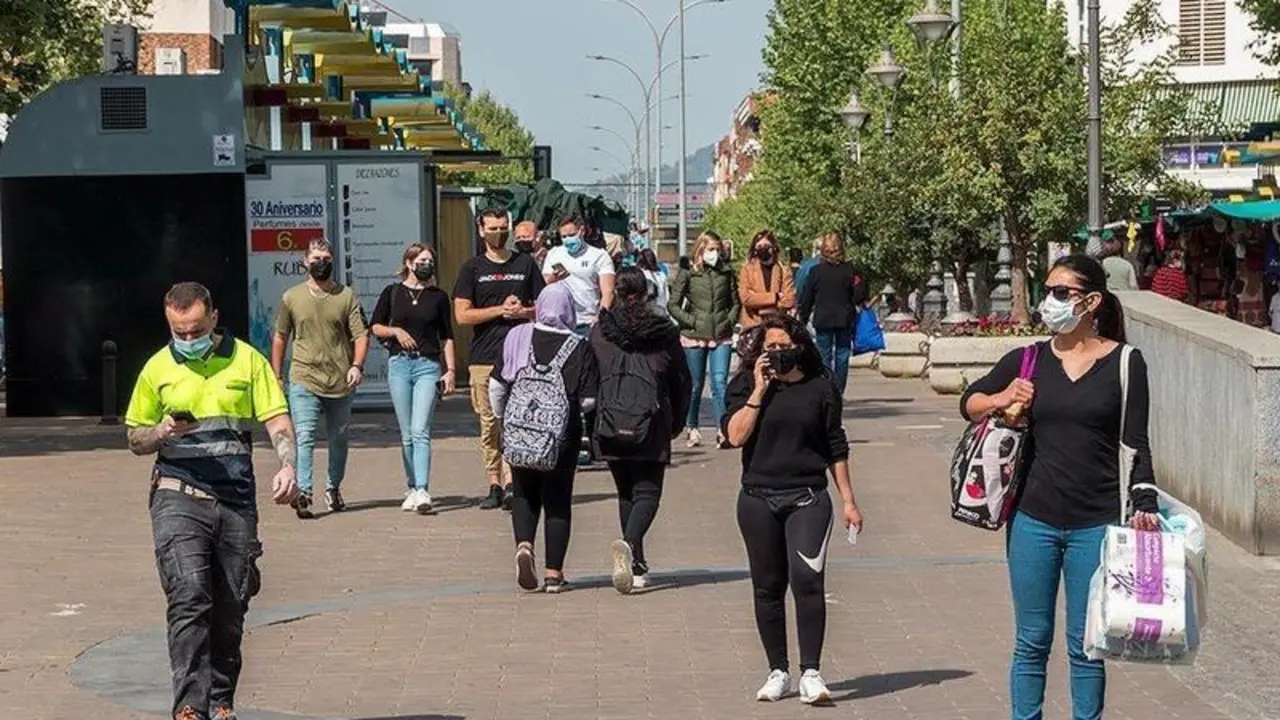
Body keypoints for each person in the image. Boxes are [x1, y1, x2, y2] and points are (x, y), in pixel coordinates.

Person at [960, 254, 1161, 720]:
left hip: (1097, 523)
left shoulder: (1126, 363)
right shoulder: (1027, 359)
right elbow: (969, 402)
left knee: (1086, 645)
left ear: (1091, 302)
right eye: (1046, 290)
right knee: (1031, 641)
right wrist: (1002, 397)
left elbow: (1136, 441)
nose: (1048, 301)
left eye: (1060, 292)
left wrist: (1145, 501)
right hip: (1033, 520)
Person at [125, 282, 298, 720]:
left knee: (229, 606)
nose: (188, 339)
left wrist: (288, 465)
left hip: (235, 497)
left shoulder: (248, 361)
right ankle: (189, 706)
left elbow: (277, 420)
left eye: (196, 330)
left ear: (214, 318)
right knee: (189, 594)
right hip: (177, 492)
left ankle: (221, 701)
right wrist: (161, 431)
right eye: (179, 332)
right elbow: (135, 438)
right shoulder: (157, 368)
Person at [721, 314, 863, 706]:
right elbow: (735, 436)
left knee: (807, 580)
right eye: (771, 348)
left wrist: (849, 500)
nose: (778, 354)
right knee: (767, 586)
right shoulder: (745, 385)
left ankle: (811, 673)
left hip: (807, 498)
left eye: (785, 347)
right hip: (757, 499)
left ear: (800, 347)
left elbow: (835, 445)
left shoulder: (820, 387)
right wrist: (758, 390)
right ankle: (778, 671)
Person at [489, 283, 599, 593]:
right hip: (561, 437)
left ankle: (524, 545)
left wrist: (504, 419)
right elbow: (589, 400)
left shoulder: (518, 336)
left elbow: (497, 386)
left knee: (523, 493)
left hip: (520, 432)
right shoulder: (579, 346)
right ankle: (554, 574)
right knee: (558, 501)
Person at [588, 267, 692, 594]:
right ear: (647, 294)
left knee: (626, 492)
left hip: (610, 421)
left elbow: (590, 376)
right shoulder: (663, 333)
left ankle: (636, 565)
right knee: (647, 493)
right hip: (651, 420)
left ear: (615, 294)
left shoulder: (601, 332)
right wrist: (678, 421)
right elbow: (682, 380)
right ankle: (630, 545)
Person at [270, 238, 369, 519]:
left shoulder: (346, 296)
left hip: (340, 380)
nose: (321, 264)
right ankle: (304, 492)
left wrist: (357, 365)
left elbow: (361, 335)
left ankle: (333, 487)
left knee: (339, 439)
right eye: (316, 259)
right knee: (304, 436)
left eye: (326, 259)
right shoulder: (292, 297)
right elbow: (280, 337)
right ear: (305, 262)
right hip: (304, 377)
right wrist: (276, 375)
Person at [454, 208, 544, 510]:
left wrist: (523, 311)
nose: (498, 233)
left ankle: (512, 483)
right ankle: (494, 482)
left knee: (518, 420)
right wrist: (498, 310)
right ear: (481, 230)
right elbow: (462, 315)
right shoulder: (472, 269)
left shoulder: (525, 263)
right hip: (484, 358)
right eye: (492, 228)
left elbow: (543, 307)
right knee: (490, 424)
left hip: (521, 356)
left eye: (503, 227)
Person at [371, 244, 457, 514]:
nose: (426, 265)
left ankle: (422, 488)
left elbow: (447, 336)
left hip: (427, 366)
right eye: (421, 261)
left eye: (430, 261)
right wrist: (396, 331)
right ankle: (411, 486)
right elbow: (376, 326)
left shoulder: (438, 297)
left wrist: (451, 370)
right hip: (399, 365)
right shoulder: (393, 292)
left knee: (421, 430)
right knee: (406, 433)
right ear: (408, 263)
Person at [669, 231, 740, 449]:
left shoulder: (726, 273)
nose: (714, 254)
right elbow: (673, 304)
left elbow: (735, 303)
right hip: (694, 336)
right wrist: (691, 321)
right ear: (700, 249)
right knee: (695, 385)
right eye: (711, 249)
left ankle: (723, 429)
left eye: (717, 249)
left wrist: (728, 322)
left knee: (719, 382)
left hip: (721, 335)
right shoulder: (688, 273)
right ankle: (692, 427)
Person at [799, 233, 868, 396]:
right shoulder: (849, 270)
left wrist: (803, 318)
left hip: (823, 319)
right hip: (845, 318)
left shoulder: (815, 271)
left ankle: (827, 389)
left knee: (824, 355)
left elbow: (807, 297)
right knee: (842, 355)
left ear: (823, 251)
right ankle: (838, 390)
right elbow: (859, 295)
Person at [543, 215, 616, 335]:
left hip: (587, 322)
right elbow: (543, 284)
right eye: (564, 237)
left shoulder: (599, 255)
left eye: (571, 235)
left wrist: (600, 318)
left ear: (582, 231)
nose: (568, 239)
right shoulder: (554, 253)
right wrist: (554, 278)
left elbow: (608, 292)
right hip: (559, 323)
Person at [738, 229, 796, 330]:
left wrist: (757, 299)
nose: (763, 249)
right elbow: (746, 298)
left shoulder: (784, 270)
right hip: (753, 325)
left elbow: (789, 301)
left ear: (773, 247)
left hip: (777, 325)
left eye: (766, 246)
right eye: (759, 246)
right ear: (754, 249)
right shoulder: (747, 269)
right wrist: (776, 297)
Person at [634, 247, 671, 318]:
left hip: (646, 313)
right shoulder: (662, 275)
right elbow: (666, 296)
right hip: (662, 311)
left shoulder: (641, 274)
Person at [792, 238, 823, 303]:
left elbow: (799, 289)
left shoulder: (807, 266)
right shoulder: (839, 266)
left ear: (814, 249)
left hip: (813, 305)